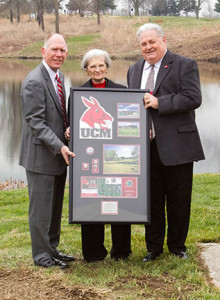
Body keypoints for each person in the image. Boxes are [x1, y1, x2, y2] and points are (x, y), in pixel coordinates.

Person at [127, 23, 205, 261]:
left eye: (152, 42)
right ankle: (154, 248)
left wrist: (161, 103)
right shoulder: (134, 69)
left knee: (179, 199)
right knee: (151, 200)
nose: (148, 47)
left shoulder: (185, 64)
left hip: (178, 145)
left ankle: (177, 246)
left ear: (163, 40)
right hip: (145, 146)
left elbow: (193, 98)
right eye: (143, 44)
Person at [19, 33, 75, 269]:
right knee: (41, 210)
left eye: (63, 50)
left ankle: (52, 248)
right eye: (54, 49)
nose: (59, 54)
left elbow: (57, 116)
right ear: (44, 51)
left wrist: (69, 129)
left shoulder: (58, 76)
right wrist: (59, 144)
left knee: (54, 208)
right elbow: (36, 121)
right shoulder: (34, 80)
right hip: (41, 156)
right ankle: (42, 257)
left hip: (58, 155)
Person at [79, 49, 132, 262]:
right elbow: (75, 122)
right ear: (86, 70)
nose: (97, 69)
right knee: (92, 197)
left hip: (114, 154)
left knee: (119, 197)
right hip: (90, 155)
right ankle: (93, 252)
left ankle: (121, 251)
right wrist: (69, 131)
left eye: (101, 65)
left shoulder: (121, 91)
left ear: (107, 67)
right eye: (92, 66)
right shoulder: (79, 93)